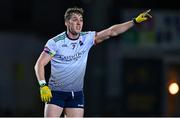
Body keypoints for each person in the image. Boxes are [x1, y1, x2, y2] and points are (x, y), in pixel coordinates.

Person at [34, 7, 152, 117]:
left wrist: (134, 21)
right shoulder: (55, 42)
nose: (79, 23)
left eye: (81, 20)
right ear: (67, 23)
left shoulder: (87, 38)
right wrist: (43, 85)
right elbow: (39, 64)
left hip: (76, 94)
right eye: (75, 20)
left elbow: (111, 32)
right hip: (56, 93)